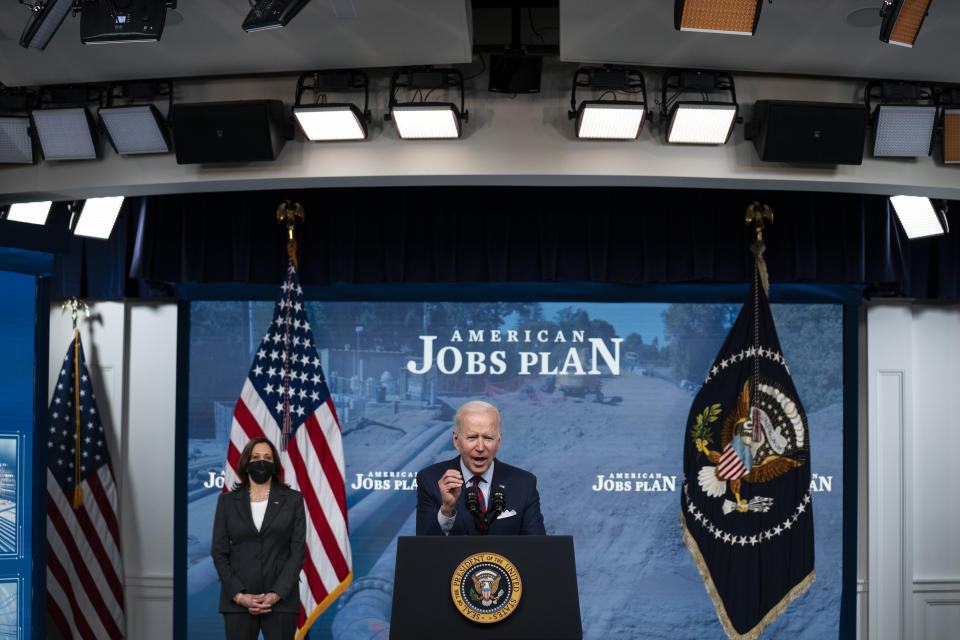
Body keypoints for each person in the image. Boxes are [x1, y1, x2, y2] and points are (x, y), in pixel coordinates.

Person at [211, 437, 306, 640]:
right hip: (238, 600)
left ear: (274, 465)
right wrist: (238, 595)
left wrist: (276, 594)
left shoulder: (294, 500)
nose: (261, 462)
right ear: (246, 463)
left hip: (281, 601)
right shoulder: (227, 501)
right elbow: (219, 552)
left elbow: (297, 551)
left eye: (267, 457)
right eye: (255, 457)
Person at [416, 400, 546, 535]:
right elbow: (425, 549)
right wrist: (447, 510)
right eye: (472, 437)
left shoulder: (524, 483)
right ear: (456, 441)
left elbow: (537, 548)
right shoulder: (430, 480)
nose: (480, 447)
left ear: (498, 442)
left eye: (488, 438)